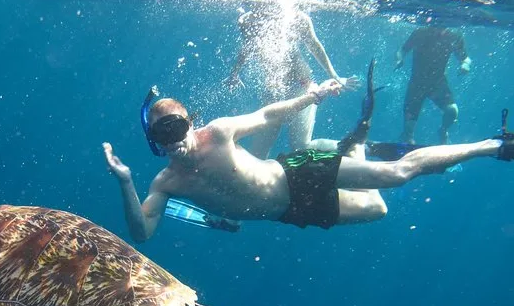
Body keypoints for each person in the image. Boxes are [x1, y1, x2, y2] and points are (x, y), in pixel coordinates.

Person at [103, 73, 512, 243]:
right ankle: (356, 144)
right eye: (161, 134)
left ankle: (492, 146)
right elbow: (142, 233)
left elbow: (267, 115)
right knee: (378, 209)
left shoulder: (219, 132)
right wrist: (125, 182)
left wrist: (310, 97)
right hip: (290, 211)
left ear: (191, 123)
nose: (173, 139)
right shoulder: (166, 183)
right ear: (153, 141)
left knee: (398, 174)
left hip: (297, 174)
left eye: (176, 127)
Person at [224, 0, 359, 159]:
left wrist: (335, 76)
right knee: (257, 153)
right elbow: (247, 47)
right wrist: (234, 73)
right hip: (272, 92)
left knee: (301, 146)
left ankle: (355, 147)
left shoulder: (298, 18)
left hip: (301, 86)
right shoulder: (246, 20)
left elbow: (315, 47)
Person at [395, 25, 472, 145]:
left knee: (452, 110)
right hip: (417, 83)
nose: (439, 30)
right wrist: (400, 59)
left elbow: (465, 58)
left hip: (438, 83)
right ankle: (407, 138)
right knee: (409, 127)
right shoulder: (420, 33)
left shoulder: (454, 35)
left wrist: (465, 65)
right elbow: (402, 50)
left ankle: (443, 131)